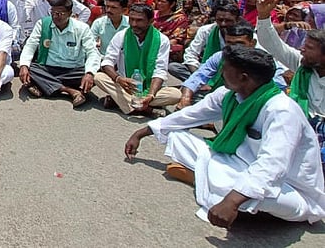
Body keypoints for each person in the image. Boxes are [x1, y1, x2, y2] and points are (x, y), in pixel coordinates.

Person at [124, 46, 325, 226]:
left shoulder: (281, 110)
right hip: (240, 164)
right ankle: (212, 185)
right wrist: (142, 132)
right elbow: (189, 115)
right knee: (177, 136)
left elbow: (273, 166)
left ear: (243, 77)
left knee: (261, 195)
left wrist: (232, 201)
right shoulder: (229, 94)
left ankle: (215, 189)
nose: (220, 73)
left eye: (226, 69)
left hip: (290, 188)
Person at [255, 0, 325, 172]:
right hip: (299, 127)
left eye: (308, 48)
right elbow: (274, 45)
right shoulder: (303, 65)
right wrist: (263, 16)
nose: (302, 50)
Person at [92, 3, 180, 115]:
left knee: (175, 95)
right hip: (126, 85)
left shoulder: (162, 40)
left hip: (149, 86)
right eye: (131, 19)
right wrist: (119, 79)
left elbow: (160, 70)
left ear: (151, 21)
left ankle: (122, 101)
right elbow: (107, 61)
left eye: (139, 20)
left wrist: (151, 95)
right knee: (99, 77)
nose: (134, 24)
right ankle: (147, 109)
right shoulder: (122, 35)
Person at [177, 20, 287, 109]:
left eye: (239, 44)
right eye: (229, 43)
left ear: (252, 43)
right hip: (223, 99)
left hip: (252, 104)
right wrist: (185, 98)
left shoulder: (264, 62)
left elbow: (279, 86)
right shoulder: (220, 56)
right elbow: (198, 76)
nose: (234, 49)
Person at [19, 0, 101, 108]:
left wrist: (89, 73)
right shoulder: (43, 24)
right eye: (52, 12)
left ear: (70, 13)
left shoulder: (82, 28)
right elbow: (30, 46)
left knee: (96, 75)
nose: (55, 16)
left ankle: (47, 85)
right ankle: (70, 91)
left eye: (60, 13)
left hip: (73, 71)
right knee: (30, 69)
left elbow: (92, 52)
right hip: (49, 69)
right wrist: (23, 66)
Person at [169, 1, 242, 82]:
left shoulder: (245, 35)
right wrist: (199, 76)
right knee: (174, 67)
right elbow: (191, 54)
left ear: (238, 20)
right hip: (206, 71)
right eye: (220, 20)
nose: (223, 24)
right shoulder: (206, 30)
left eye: (228, 20)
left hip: (234, 73)